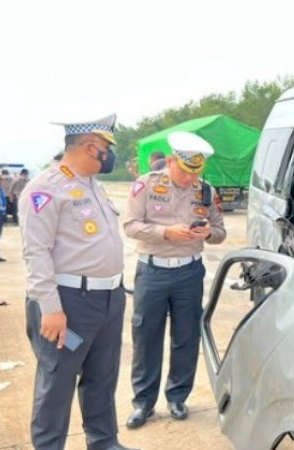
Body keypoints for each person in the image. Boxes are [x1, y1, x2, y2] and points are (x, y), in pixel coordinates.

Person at [19, 114, 138, 450]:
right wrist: (51, 310)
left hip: (108, 300)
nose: (110, 155)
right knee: (56, 383)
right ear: (91, 147)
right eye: (107, 148)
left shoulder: (93, 185)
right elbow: (36, 254)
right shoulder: (45, 189)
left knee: (102, 376)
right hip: (68, 304)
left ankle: (103, 442)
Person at [123, 131, 226, 429]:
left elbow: (220, 232)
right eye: (183, 172)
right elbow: (130, 226)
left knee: (186, 337)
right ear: (170, 161)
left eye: (194, 174)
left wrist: (208, 233)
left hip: (189, 273)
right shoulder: (145, 185)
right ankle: (143, 403)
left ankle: (178, 397)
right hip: (152, 271)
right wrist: (166, 232)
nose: (188, 180)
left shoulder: (206, 191)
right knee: (146, 338)